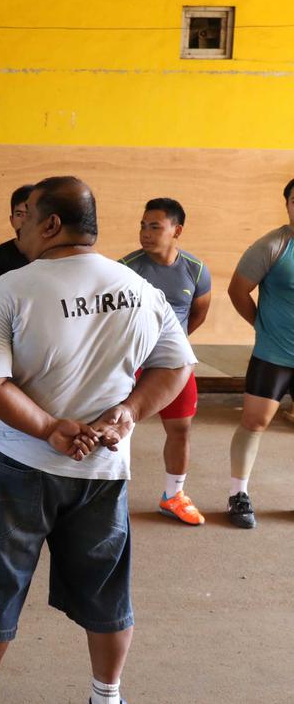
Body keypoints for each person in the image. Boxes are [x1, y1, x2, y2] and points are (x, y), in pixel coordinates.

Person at [0, 177, 195, 704]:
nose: (20, 226)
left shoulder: (13, 287)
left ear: (51, 224)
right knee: (105, 589)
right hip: (103, 469)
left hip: (16, 465)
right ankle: (107, 696)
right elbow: (176, 366)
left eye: (27, 215)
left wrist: (51, 428)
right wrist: (128, 412)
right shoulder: (139, 288)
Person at [119, 198, 211, 525]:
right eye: (143, 225)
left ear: (177, 230)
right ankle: (106, 494)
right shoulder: (125, 268)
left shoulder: (196, 270)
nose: (145, 233)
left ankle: (173, 495)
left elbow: (197, 314)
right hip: (131, 360)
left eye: (155, 226)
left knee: (181, 428)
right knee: (117, 426)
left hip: (175, 364)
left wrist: (174, 347)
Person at [223, 177, 294, 529]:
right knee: (255, 422)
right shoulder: (273, 246)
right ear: (288, 205)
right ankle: (239, 495)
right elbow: (238, 290)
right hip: (274, 355)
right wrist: (261, 326)